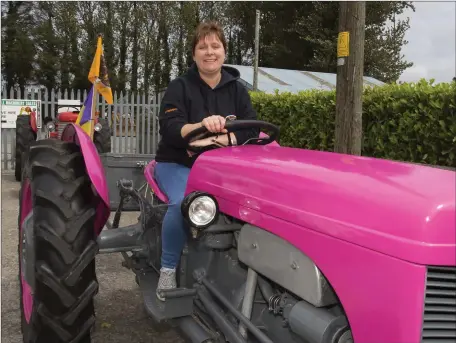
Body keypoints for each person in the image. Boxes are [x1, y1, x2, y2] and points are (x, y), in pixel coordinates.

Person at [154, 20, 259, 300]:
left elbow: (250, 130)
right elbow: (172, 129)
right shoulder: (180, 88)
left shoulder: (237, 90)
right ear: (193, 54)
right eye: (203, 47)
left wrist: (209, 140)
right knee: (184, 204)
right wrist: (201, 126)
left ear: (224, 51)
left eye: (215, 46)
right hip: (178, 164)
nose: (209, 52)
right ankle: (167, 270)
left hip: (223, 169)